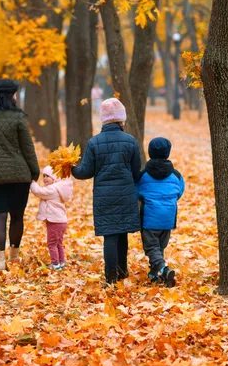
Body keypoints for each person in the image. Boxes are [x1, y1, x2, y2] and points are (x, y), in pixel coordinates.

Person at [72, 98, 141, 285]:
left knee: (110, 235)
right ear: (121, 119)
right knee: (123, 233)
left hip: (104, 196)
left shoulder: (94, 143)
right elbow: (136, 172)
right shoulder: (130, 141)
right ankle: (122, 270)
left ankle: (110, 276)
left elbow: (85, 171)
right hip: (126, 193)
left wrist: (71, 168)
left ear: (103, 119)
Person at [0, 79, 40, 271]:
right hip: (18, 176)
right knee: (17, 217)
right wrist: (34, 172)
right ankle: (14, 257)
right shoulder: (18, 118)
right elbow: (28, 148)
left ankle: (0, 262)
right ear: (12, 95)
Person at [138, 137, 185, 288]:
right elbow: (179, 191)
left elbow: (136, 192)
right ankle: (154, 274)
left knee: (151, 247)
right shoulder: (176, 175)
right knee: (159, 247)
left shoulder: (143, 174)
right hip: (168, 217)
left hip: (150, 218)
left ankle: (164, 269)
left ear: (150, 152)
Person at [30, 166, 73, 270]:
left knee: (52, 244)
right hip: (61, 221)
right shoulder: (59, 188)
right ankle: (61, 262)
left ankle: (55, 264)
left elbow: (38, 192)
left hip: (55, 221)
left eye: (48, 176)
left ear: (54, 177)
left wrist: (32, 182)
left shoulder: (52, 189)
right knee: (58, 243)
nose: (45, 179)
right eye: (43, 176)